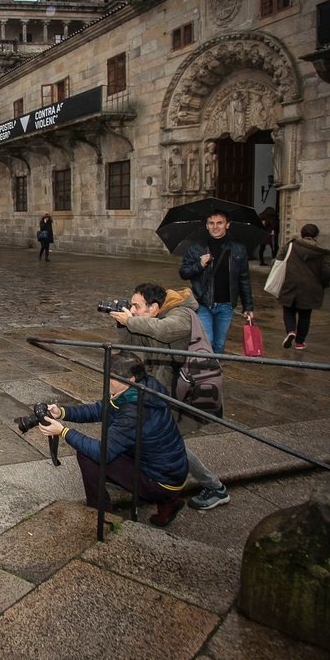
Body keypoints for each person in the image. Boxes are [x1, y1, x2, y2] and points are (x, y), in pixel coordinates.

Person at [108, 282, 231, 511]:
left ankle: (215, 487)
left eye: (136, 306)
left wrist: (131, 321)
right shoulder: (150, 319)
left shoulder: (182, 314)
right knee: (144, 428)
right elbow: (128, 348)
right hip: (164, 386)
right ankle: (122, 470)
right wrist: (122, 325)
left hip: (188, 389)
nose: (132, 310)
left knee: (170, 439)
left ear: (154, 307)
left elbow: (163, 330)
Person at [36, 351, 189, 527]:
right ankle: (167, 506)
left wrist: (63, 432)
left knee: (88, 455)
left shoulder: (134, 411)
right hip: (169, 472)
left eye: (112, 378)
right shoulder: (142, 389)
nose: (107, 381)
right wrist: (62, 412)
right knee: (98, 448)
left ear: (130, 379)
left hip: (160, 482)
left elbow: (102, 453)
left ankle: (101, 517)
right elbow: (100, 410)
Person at [179, 209, 255, 355]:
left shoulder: (238, 249)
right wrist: (199, 265)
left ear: (227, 225)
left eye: (219, 223)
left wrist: (248, 306)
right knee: (207, 342)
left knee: (219, 346)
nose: (215, 227)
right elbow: (184, 273)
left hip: (226, 305)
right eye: (211, 223)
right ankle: (205, 375)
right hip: (203, 304)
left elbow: (244, 279)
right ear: (207, 225)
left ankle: (214, 375)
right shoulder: (196, 248)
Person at [276, 223, 330, 350]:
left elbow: (278, 260)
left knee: (288, 311)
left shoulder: (291, 246)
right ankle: (300, 342)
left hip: (291, 283)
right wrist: (324, 284)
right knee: (305, 315)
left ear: (302, 234)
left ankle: (291, 331)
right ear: (316, 235)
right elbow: (327, 271)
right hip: (311, 287)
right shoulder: (322, 252)